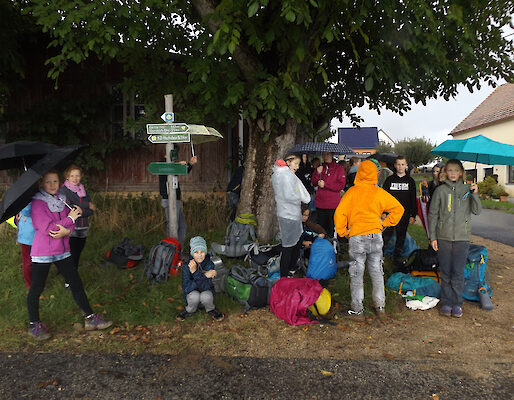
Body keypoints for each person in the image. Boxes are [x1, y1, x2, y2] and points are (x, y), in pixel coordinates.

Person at [27, 170, 112, 340]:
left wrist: (68, 227)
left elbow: (71, 223)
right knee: (37, 288)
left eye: (55, 181)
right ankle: (34, 324)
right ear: (41, 184)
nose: (52, 185)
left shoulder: (61, 200)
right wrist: (69, 221)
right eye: (48, 182)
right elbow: (48, 229)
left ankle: (90, 318)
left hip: (62, 250)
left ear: (60, 183)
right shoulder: (37, 204)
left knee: (75, 282)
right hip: (43, 252)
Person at [334, 160, 404, 316]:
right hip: (375, 236)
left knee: (357, 274)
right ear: (375, 174)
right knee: (377, 271)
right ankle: (380, 307)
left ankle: (357, 308)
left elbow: (339, 213)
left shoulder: (351, 192)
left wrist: (343, 231)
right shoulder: (379, 192)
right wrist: (385, 223)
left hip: (357, 236)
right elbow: (399, 208)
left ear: (359, 173)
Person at [429, 159, 481, 318]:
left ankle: (457, 304)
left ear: (461, 173)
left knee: (458, 273)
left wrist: (475, 194)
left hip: (461, 238)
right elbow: (433, 215)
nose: (452, 173)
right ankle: (446, 302)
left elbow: (477, 211)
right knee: (445, 272)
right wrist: (433, 237)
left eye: (456, 170)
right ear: (445, 172)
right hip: (443, 238)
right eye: (449, 170)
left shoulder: (467, 189)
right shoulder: (440, 191)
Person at [272, 154, 311, 277]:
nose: (297, 167)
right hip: (288, 215)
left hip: (290, 214)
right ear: (288, 162)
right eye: (295, 164)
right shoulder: (285, 176)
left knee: (297, 241)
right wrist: (299, 196)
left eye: (298, 164)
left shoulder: (284, 176)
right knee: (288, 246)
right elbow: (290, 196)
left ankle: (291, 269)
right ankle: (285, 274)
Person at [176, 236, 224, 321]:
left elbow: (207, 286)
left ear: (205, 252)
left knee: (206, 296)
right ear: (192, 253)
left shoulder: (210, 264)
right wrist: (203, 275)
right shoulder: (187, 266)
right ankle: (190, 310)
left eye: (202, 252)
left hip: (205, 294)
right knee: (194, 296)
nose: (199, 255)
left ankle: (210, 309)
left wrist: (196, 275)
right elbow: (187, 288)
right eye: (196, 252)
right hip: (192, 296)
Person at [59, 165, 95, 273]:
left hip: (83, 227)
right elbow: (72, 207)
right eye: (72, 176)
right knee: (71, 254)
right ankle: (70, 280)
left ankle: (69, 272)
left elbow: (91, 210)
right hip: (71, 228)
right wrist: (87, 204)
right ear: (67, 177)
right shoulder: (64, 191)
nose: (75, 178)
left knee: (78, 253)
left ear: (81, 176)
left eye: (77, 176)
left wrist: (83, 210)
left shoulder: (83, 191)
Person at [382, 155, 417, 266]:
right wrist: (383, 212)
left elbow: (413, 199)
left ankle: (397, 259)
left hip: (404, 215)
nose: (400, 167)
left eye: (402, 164)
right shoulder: (389, 180)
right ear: (395, 165)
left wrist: (413, 215)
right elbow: (383, 197)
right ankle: (380, 257)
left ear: (406, 166)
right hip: (390, 214)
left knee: (400, 237)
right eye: (398, 164)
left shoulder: (410, 181)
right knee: (386, 236)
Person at [159, 154, 197, 248]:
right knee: (172, 226)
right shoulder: (164, 164)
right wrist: (177, 165)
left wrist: (190, 164)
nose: (175, 158)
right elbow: (167, 167)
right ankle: (171, 251)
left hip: (176, 200)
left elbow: (183, 170)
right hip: (168, 200)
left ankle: (179, 249)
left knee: (182, 226)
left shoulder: (172, 166)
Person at [311, 152, 346, 237]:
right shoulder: (320, 167)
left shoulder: (339, 168)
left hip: (333, 204)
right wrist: (317, 173)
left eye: (327, 154)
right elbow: (314, 183)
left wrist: (326, 185)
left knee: (332, 229)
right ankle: (321, 247)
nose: (325, 156)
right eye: (323, 154)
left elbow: (341, 185)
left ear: (332, 155)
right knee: (321, 229)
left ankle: (332, 247)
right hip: (320, 203)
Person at [16, 204, 35, 289]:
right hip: (29, 233)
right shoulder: (28, 198)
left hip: (32, 232)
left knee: (31, 260)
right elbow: (26, 211)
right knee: (28, 261)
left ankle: (32, 283)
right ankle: (29, 285)